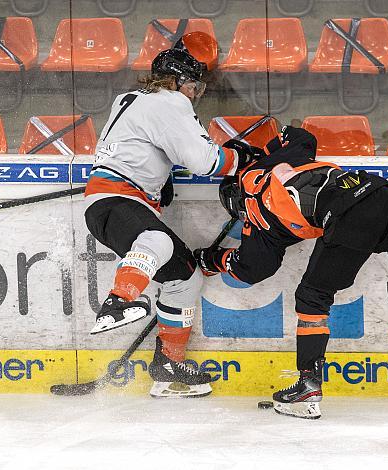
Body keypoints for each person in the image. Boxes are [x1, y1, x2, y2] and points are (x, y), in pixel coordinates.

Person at [194, 126, 388, 419]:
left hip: (347, 218)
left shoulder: (255, 212)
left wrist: (211, 260)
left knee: (312, 298)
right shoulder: (279, 160)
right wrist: (259, 152)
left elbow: (253, 268)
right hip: (375, 191)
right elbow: (300, 135)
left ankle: (307, 387)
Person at [84, 42, 254, 398]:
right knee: (157, 240)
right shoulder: (170, 101)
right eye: (193, 87)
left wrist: (162, 181)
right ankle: (119, 300)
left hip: (113, 203)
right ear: (177, 82)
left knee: (184, 277)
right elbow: (204, 161)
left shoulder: (130, 99)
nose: (194, 95)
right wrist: (239, 159)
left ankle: (168, 368)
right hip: (119, 200)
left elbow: (147, 148)